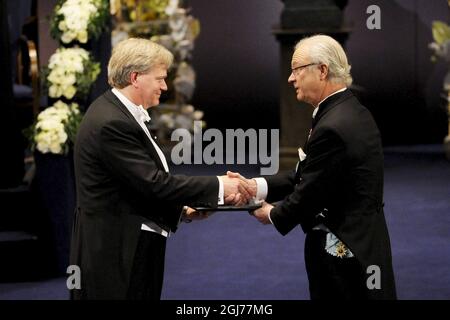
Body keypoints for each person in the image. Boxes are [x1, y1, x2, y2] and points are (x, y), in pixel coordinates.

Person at [70, 38, 250, 300]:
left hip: (127, 244)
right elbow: (155, 183)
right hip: (115, 254)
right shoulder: (112, 122)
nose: (165, 87)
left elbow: (135, 186)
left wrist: (182, 211)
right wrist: (220, 185)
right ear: (135, 77)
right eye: (160, 79)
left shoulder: (119, 112)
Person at [228, 35, 396, 299]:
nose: (290, 79)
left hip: (342, 250)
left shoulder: (333, 125)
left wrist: (273, 214)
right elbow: (308, 174)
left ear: (322, 70)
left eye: (296, 70)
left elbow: (310, 192)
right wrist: (255, 186)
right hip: (362, 242)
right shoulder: (349, 111)